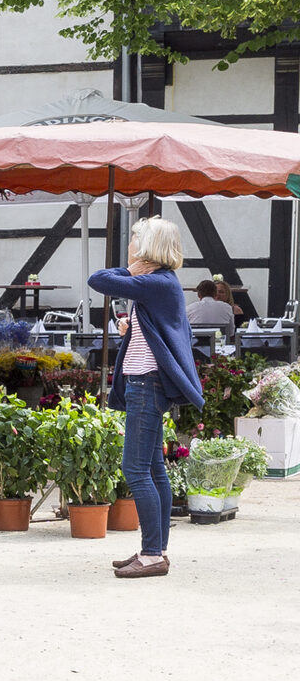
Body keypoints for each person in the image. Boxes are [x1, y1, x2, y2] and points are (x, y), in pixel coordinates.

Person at [94, 219, 204, 579]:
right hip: (149, 384)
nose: (131, 242)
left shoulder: (155, 282)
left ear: (151, 245)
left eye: (137, 237)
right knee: (154, 469)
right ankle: (155, 550)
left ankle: (153, 553)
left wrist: (127, 270)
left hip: (147, 386)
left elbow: (99, 280)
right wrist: (134, 329)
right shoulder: (160, 283)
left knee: (136, 469)